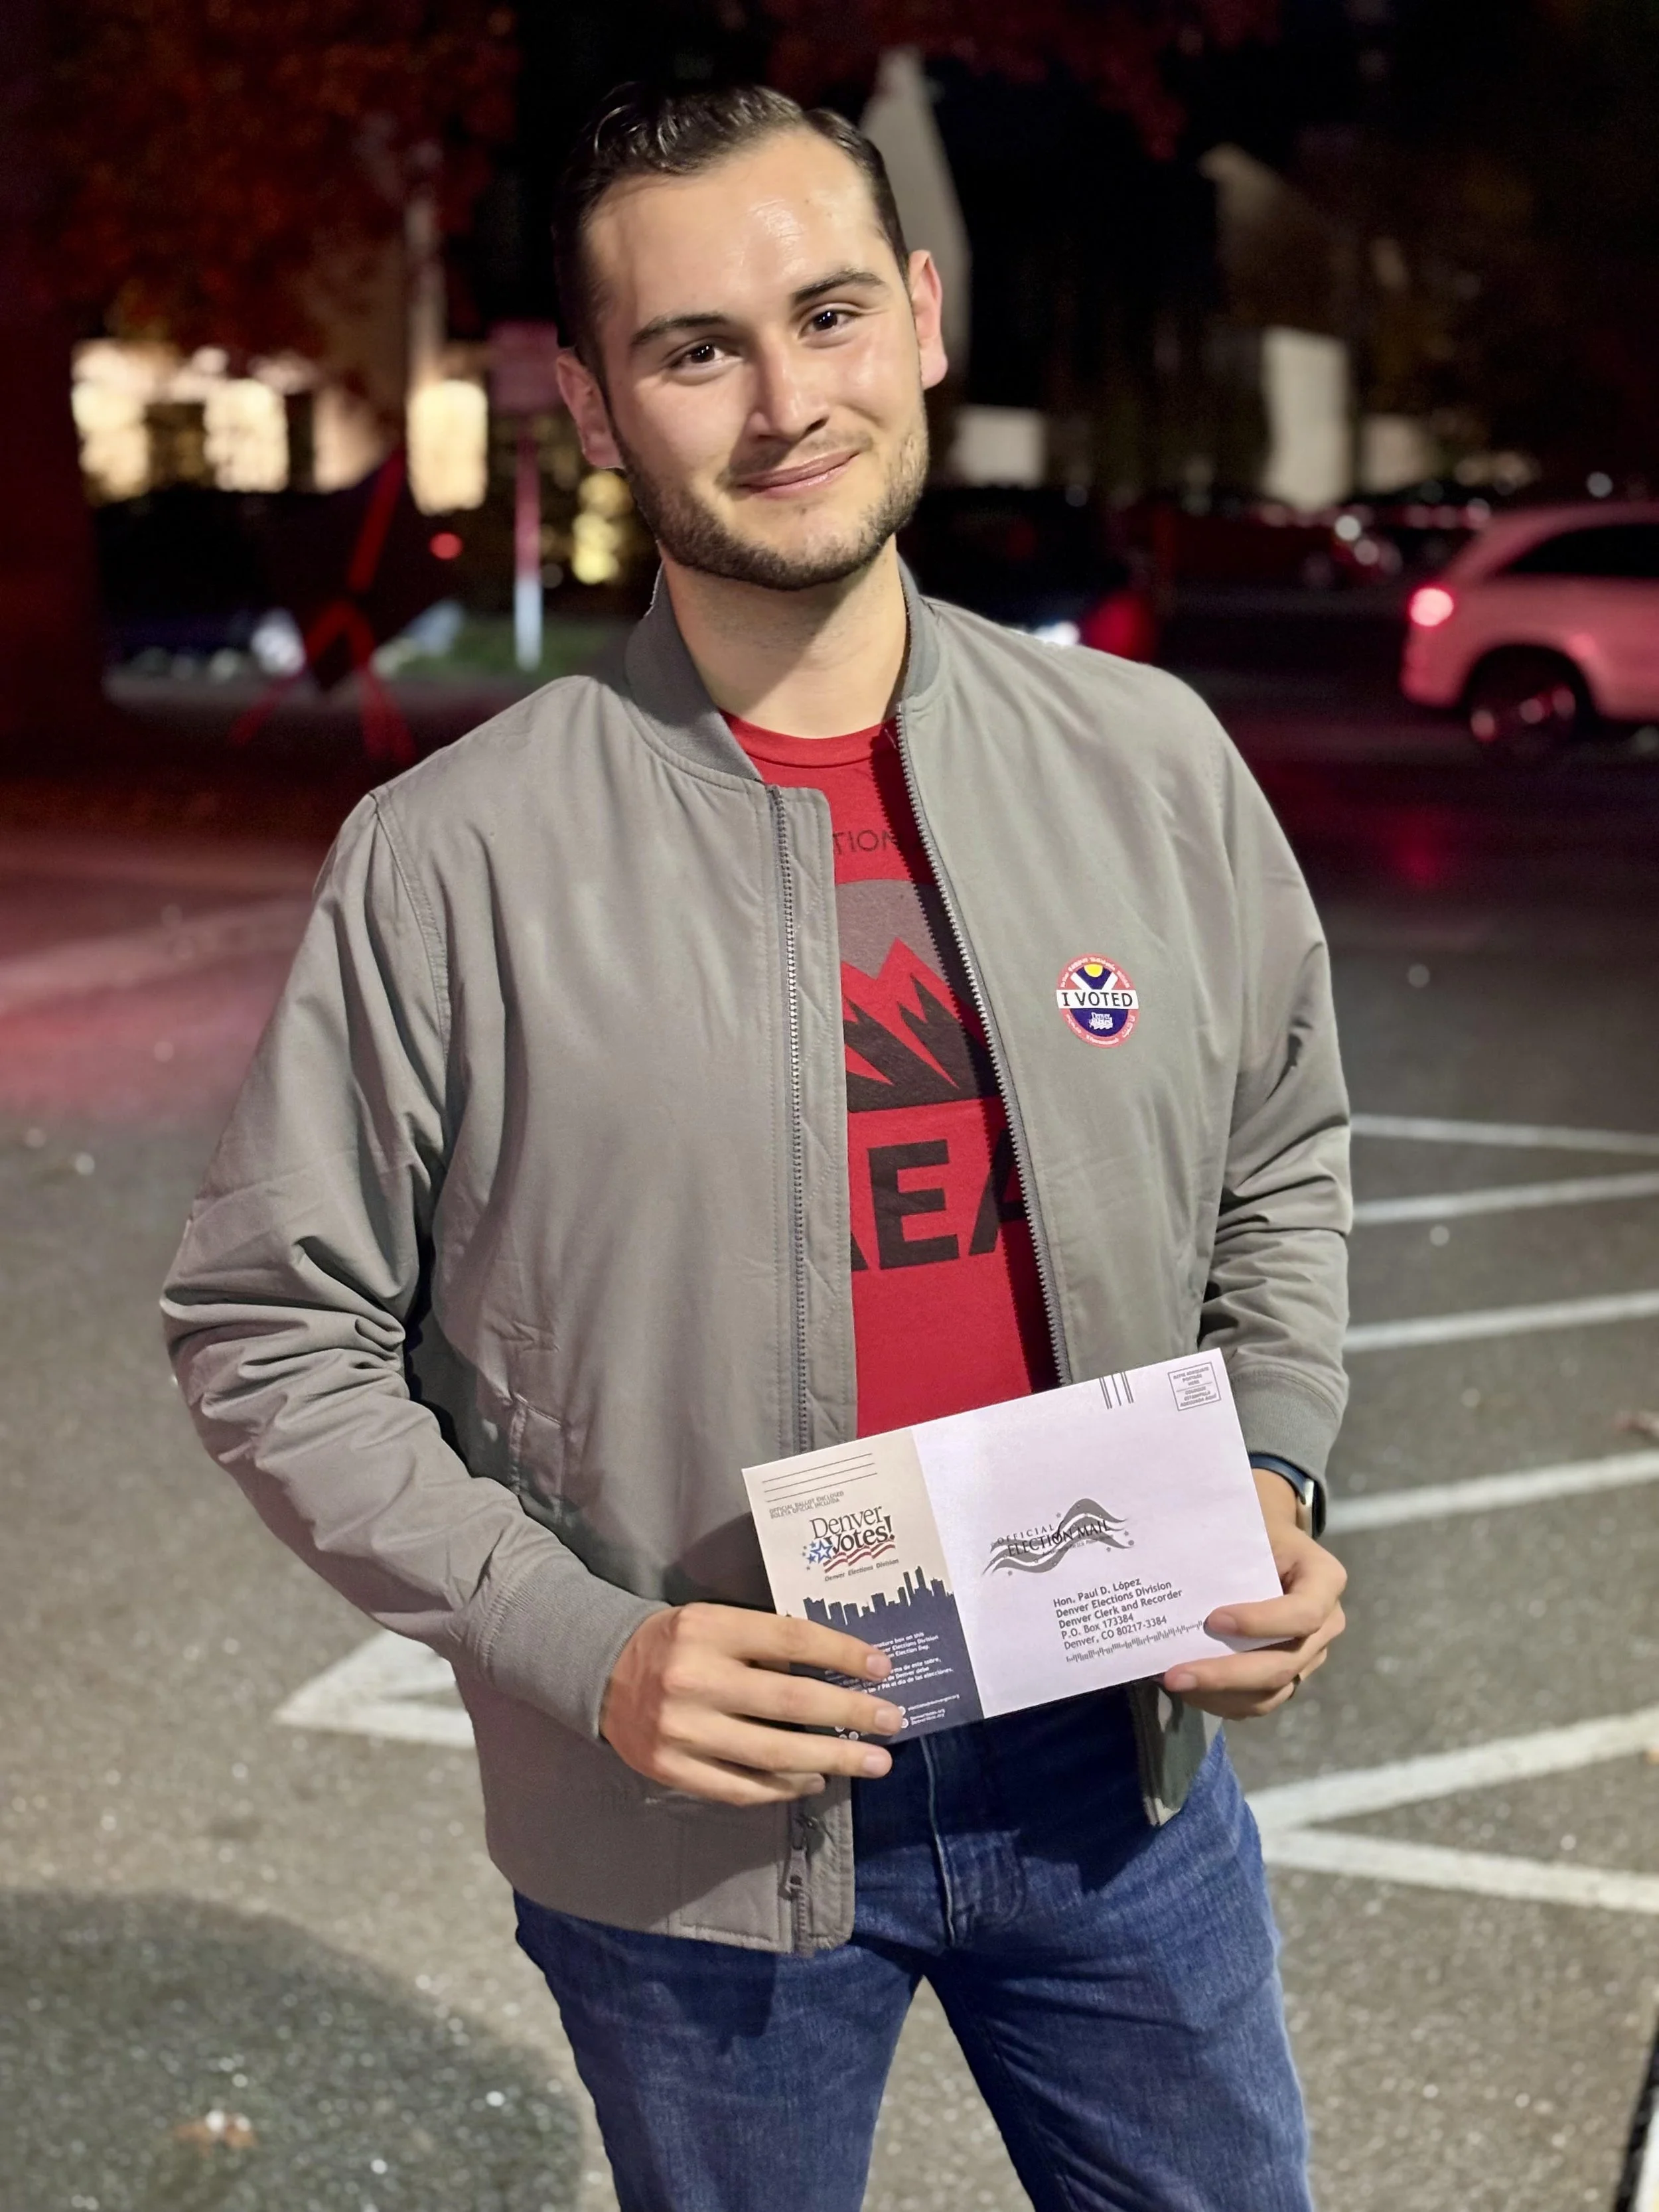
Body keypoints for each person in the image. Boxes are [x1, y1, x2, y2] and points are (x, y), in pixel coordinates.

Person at [163, 81, 1351, 2212]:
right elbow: (273, 1331)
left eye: (824, 316)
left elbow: (1279, 1159)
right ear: (595, 406)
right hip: (693, 1812)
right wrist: (575, 1641)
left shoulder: (1150, 762)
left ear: (916, 319)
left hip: (1116, 1765)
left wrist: (1266, 1473)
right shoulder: (450, 863)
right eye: (695, 348)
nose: (783, 399)